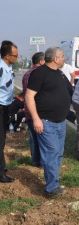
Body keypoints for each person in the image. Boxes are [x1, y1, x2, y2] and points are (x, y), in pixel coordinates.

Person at [25, 47, 72, 197]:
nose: (65, 58)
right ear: (55, 59)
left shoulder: (60, 74)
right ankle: (51, 188)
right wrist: (36, 119)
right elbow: (29, 96)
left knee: (58, 153)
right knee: (50, 154)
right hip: (46, 122)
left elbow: (69, 91)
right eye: (63, 56)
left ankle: (54, 181)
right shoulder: (39, 73)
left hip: (60, 122)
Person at [22, 51, 45, 167]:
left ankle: (35, 160)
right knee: (40, 138)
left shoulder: (27, 73)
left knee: (33, 137)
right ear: (41, 61)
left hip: (28, 110)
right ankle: (39, 161)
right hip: (36, 110)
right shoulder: (39, 73)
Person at [0, 40, 18, 183]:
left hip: (6, 106)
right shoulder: (1, 68)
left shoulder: (8, 67)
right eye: (15, 56)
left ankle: (2, 167)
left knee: (3, 139)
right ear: (7, 56)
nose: (16, 58)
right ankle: (1, 174)